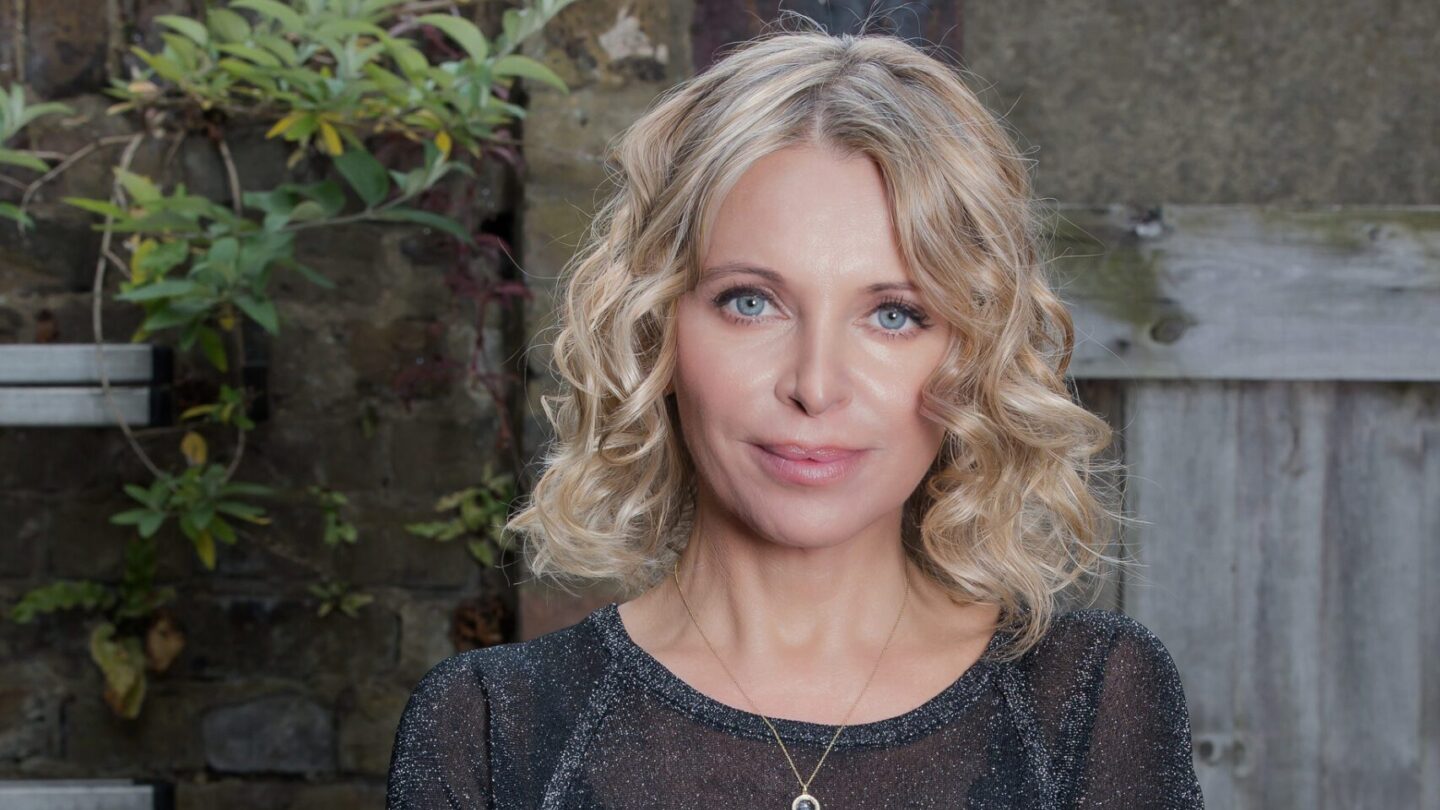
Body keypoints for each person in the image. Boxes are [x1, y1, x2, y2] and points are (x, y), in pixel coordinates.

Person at [386, 22, 1205, 810]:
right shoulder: (490, 730)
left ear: (975, 352)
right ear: (656, 329)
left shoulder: (1093, 701)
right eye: (751, 302)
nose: (816, 385)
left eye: (894, 314)